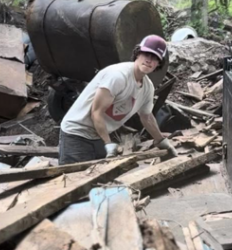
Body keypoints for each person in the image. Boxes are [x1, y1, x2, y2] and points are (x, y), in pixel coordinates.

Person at [58, 35, 177, 165]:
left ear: (159, 64)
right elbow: (96, 112)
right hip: (76, 132)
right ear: (137, 54)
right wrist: (108, 143)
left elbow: (146, 117)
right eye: (147, 54)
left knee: (98, 178)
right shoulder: (118, 76)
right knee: (72, 180)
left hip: (97, 135)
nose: (149, 60)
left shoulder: (147, 88)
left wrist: (161, 141)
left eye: (155, 58)